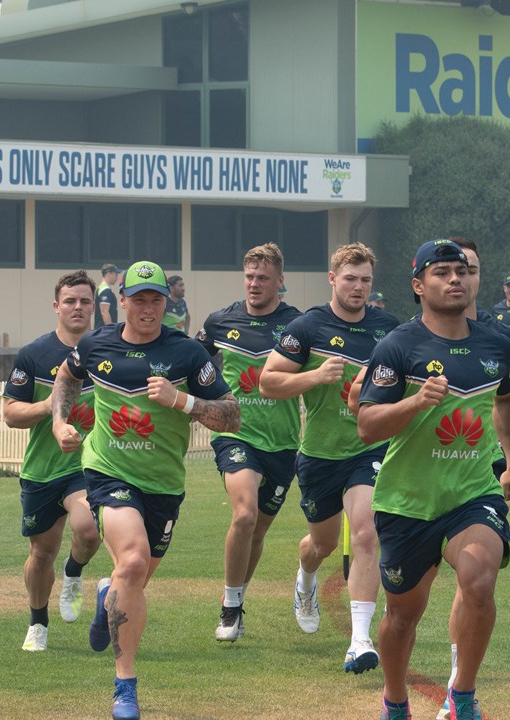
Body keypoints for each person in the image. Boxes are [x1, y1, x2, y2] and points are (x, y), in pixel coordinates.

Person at [50, 260, 238, 720]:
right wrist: (59, 421)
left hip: (164, 485)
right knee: (132, 561)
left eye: (157, 299)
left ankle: (106, 594)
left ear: (165, 302)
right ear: (123, 301)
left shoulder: (187, 354)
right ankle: (125, 687)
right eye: (140, 300)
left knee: (133, 578)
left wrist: (183, 401)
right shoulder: (96, 344)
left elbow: (232, 414)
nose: (149, 308)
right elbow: (67, 378)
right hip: (108, 471)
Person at [358, 239, 510, 720]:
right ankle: (394, 700)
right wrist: (414, 401)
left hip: (473, 493)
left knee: (478, 580)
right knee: (402, 617)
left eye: (461, 271)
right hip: (407, 501)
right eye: (441, 273)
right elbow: (368, 425)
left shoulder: (498, 341)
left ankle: (463, 697)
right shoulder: (398, 346)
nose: (455, 279)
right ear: (418, 285)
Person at [259, 242, 399, 674]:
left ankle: (359, 640)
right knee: (319, 545)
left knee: (364, 534)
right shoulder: (308, 327)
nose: (358, 288)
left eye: (366, 280)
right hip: (319, 455)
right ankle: (305, 579)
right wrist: (315, 375)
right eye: (351, 279)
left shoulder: (388, 329)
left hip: (369, 449)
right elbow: (267, 382)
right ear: (332, 279)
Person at [195, 243, 303, 642]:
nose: (255, 284)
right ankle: (229, 606)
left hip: (283, 443)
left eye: (263, 278)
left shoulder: (298, 326)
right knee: (244, 514)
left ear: (280, 281)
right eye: (250, 277)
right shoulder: (220, 321)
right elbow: (193, 361)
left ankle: (238, 601)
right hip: (235, 435)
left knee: (257, 531)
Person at [3, 270, 102, 652]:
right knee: (41, 553)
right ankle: (38, 622)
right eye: (71, 301)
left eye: (85, 301)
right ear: (56, 306)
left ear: (94, 306)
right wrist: (50, 406)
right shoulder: (34, 354)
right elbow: (11, 414)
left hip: (87, 465)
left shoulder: (107, 350)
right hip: (42, 469)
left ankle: (74, 572)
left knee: (89, 531)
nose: (78, 307)